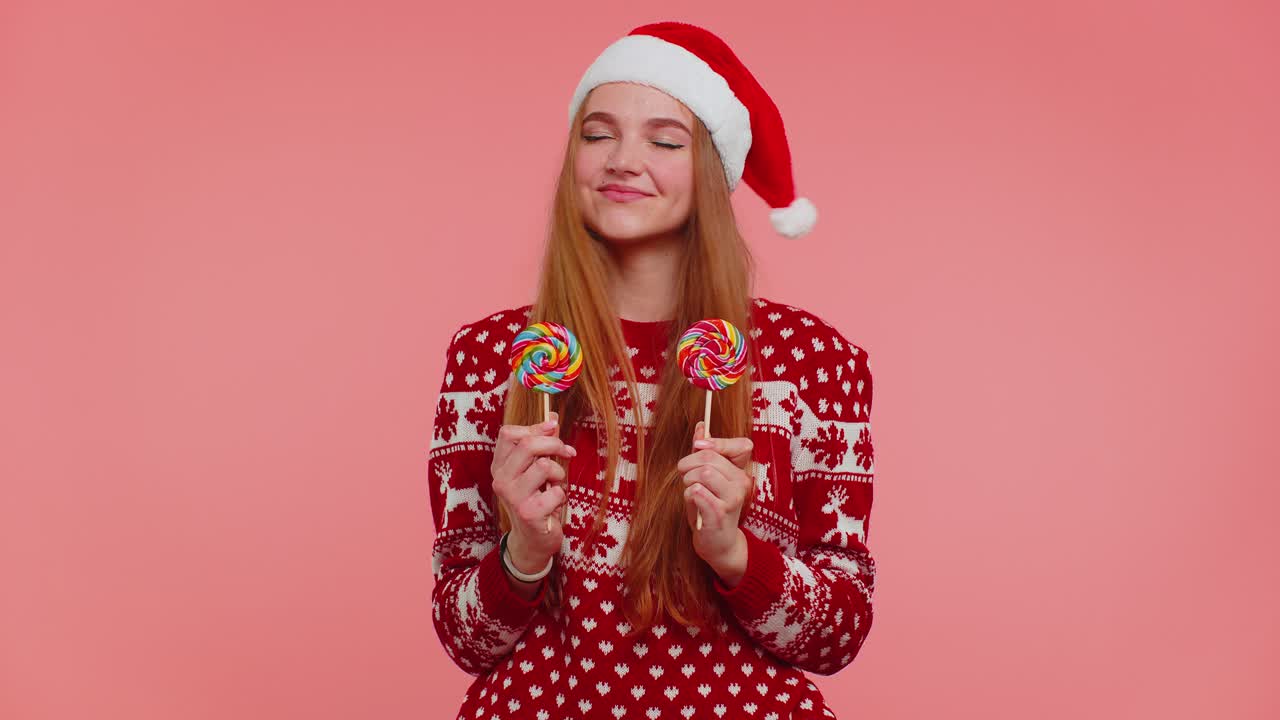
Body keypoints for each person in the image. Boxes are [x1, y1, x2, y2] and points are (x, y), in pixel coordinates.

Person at [427, 21, 877, 720]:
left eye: (664, 141)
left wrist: (733, 553)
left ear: (711, 171)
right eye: (597, 134)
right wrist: (522, 551)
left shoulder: (811, 361)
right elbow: (465, 640)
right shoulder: (495, 357)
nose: (621, 161)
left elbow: (838, 635)